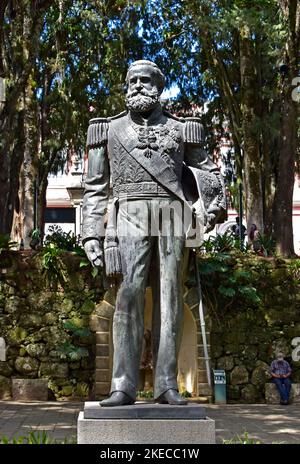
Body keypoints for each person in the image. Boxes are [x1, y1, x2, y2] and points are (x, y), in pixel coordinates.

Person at [82, 60, 226, 406]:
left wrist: (210, 208)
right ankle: (122, 385)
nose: (138, 85)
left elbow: (208, 174)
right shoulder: (108, 129)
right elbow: (95, 187)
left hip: (172, 213)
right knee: (128, 294)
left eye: (145, 80)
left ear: (159, 86)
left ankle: (166, 384)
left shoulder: (182, 129)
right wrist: (92, 233)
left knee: (170, 297)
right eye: (132, 80)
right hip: (128, 212)